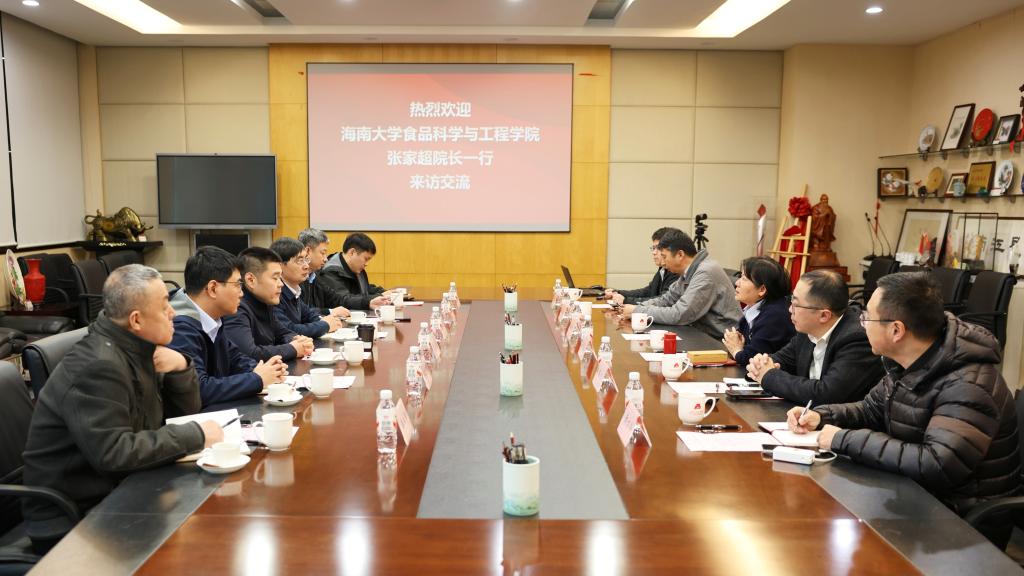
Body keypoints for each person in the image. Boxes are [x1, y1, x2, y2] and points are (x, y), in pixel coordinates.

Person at [787, 272, 1021, 548]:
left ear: (896, 330)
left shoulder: (968, 384)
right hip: (914, 496)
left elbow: (936, 463)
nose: (861, 324)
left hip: (958, 522)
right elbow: (871, 409)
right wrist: (822, 415)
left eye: (867, 317)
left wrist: (842, 439)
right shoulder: (910, 360)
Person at [21, 265, 223, 552]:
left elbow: (180, 415)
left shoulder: (137, 347)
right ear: (136, 320)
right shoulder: (99, 364)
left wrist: (180, 367)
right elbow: (114, 453)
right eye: (164, 305)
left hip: (119, 487)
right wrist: (196, 435)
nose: (173, 313)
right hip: (71, 514)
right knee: (202, 544)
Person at [169, 246, 289, 407]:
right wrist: (257, 379)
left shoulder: (213, 318)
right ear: (213, 288)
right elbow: (199, 389)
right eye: (238, 285)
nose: (241, 293)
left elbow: (234, 358)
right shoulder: (180, 328)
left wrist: (266, 370)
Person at [746, 270, 884, 404]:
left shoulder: (857, 338)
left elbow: (827, 394)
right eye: (791, 300)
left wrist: (768, 376)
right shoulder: (807, 328)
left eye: (796, 305)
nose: (789, 309)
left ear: (824, 315)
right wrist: (760, 364)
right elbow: (783, 359)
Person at [620, 231, 741, 340]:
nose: (663, 262)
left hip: (721, 341)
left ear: (680, 255)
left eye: (664, 256)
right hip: (700, 333)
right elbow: (666, 299)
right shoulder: (690, 270)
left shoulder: (705, 272)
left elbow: (680, 314)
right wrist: (637, 308)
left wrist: (638, 310)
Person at [223, 247, 314, 362]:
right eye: (275, 278)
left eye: (280, 278)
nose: (281, 284)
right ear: (251, 280)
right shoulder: (237, 308)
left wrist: (297, 340)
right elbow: (249, 353)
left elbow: (283, 332)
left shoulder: (265, 301)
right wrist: (293, 348)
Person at [722, 256, 796, 366]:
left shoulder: (775, 315)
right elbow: (739, 347)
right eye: (740, 277)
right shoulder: (754, 309)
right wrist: (736, 348)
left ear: (762, 289)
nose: (737, 283)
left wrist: (736, 350)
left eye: (744, 279)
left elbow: (752, 359)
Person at [270, 237, 344, 338]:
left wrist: (326, 321)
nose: (306, 266)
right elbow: (289, 329)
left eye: (306, 260)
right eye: (300, 261)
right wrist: (325, 325)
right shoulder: (274, 293)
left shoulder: (294, 290)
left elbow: (309, 314)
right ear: (280, 265)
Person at [605, 227, 681, 305]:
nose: (654, 252)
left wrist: (626, 300)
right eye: (653, 248)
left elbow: (663, 300)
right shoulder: (663, 269)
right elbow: (648, 291)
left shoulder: (675, 271)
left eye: (658, 248)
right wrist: (619, 293)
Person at [318, 232, 391, 311]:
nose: (366, 264)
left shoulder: (355, 268)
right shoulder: (330, 272)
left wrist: (386, 292)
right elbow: (344, 299)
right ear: (352, 252)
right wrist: (379, 296)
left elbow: (365, 289)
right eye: (366, 259)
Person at [297, 227, 351, 318]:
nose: (326, 259)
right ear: (307, 251)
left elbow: (338, 300)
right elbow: (300, 312)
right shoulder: (295, 279)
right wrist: (330, 311)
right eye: (322, 253)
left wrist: (368, 302)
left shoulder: (315, 277)